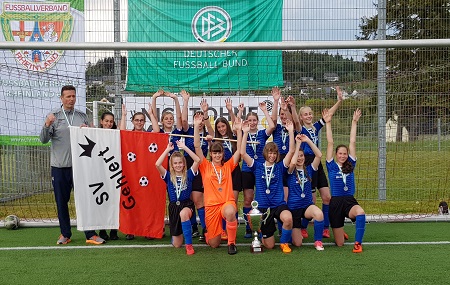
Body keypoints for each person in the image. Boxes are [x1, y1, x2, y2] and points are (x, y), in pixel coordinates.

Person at [39, 85, 105, 245]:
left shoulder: (82, 116)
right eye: (68, 96)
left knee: (85, 200)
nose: (71, 99)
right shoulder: (53, 117)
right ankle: (65, 234)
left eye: (73, 96)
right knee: (61, 202)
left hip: (80, 167)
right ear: (61, 98)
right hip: (60, 167)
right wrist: (47, 124)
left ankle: (90, 234)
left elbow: (92, 139)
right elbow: (43, 140)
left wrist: (88, 130)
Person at [241, 119, 295, 253]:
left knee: (288, 218)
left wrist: (291, 132)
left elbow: (291, 151)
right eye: (270, 153)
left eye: (274, 153)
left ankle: (284, 243)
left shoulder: (280, 167)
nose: (272, 155)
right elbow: (242, 153)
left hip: (278, 205)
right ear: (265, 153)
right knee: (269, 245)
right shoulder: (257, 166)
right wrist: (245, 133)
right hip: (263, 208)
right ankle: (261, 237)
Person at [297, 86, 343, 239]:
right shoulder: (300, 129)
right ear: (301, 117)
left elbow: (328, 115)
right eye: (306, 114)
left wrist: (339, 101)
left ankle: (325, 227)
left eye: (310, 113)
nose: (309, 116)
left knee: (327, 197)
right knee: (311, 199)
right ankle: (303, 227)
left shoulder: (316, 127)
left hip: (317, 161)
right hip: (306, 164)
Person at [193, 113, 242, 255]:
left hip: (226, 203)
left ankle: (231, 244)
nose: (217, 155)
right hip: (211, 207)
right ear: (211, 154)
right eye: (214, 153)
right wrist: (196, 127)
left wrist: (238, 131)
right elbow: (197, 146)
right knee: (214, 244)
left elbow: (239, 151)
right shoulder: (205, 165)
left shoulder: (228, 166)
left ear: (222, 154)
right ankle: (212, 232)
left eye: (219, 153)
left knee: (230, 211)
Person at [325, 108, 366, 253]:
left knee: (360, 213)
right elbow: (330, 142)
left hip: (349, 201)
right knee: (340, 244)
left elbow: (352, 142)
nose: (342, 156)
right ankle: (339, 231)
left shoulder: (351, 164)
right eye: (340, 153)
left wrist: (354, 122)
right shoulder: (331, 165)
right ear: (336, 154)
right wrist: (328, 123)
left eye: (345, 153)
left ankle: (358, 244)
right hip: (335, 203)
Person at [119, 102, 158, 240]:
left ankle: (148, 230)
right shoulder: (129, 135)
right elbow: (122, 132)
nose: (139, 122)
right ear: (132, 121)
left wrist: (152, 115)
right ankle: (131, 229)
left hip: (146, 174)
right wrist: (123, 116)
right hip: (131, 173)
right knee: (132, 201)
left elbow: (157, 131)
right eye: (136, 120)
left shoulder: (149, 136)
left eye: (142, 120)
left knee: (146, 202)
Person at [155, 140, 200, 255]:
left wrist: (184, 148)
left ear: (184, 163)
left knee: (184, 214)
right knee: (177, 244)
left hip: (186, 205)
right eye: (175, 163)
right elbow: (157, 164)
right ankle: (179, 235)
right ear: (172, 165)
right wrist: (167, 150)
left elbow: (197, 160)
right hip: (174, 207)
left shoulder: (189, 174)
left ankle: (189, 246)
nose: (178, 165)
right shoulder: (168, 176)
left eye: (180, 162)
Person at [181, 92, 214, 242]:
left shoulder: (208, 134)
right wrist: (185, 101)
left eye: (201, 119)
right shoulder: (188, 131)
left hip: (201, 168)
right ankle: (193, 227)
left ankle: (206, 228)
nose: (200, 121)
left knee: (198, 199)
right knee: (188, 198)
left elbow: (211, 132)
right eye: (197, 118)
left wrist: (205, 113)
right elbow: (183, 119)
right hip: (187, 166)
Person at [240, 101, 275, 238]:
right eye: (249, 120)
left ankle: (260, 226)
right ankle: (249, 227)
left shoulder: (262, 133)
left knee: (260, 198)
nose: (252, 123)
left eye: (254, 120)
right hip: (247, 169)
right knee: (248, 199)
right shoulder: (244, 133)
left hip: (260, 169)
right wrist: (240, 115)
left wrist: (265, 110)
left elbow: (272, 126)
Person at [287, 133, 325, 250]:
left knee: (318, 214)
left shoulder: (309, 169)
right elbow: (292, 162)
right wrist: (298, 145)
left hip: (307, 205)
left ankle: (318, 241)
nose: (300, 158)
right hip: (293, 208)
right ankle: (293, 231)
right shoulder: (290, 171)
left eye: (302, 156)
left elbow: (319, 155)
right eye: (297, 156)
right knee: (297, 243)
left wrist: (308, 140)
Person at [98, 111, 119, 241]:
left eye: (111, 121)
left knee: (114, 201)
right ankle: (102, 229)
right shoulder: (94, 133)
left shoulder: (116, 134)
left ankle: (114, 230)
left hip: (114, 172)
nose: (108, 124)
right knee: (102, 201)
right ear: (101, 121)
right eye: (106, 121)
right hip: (100, 172)